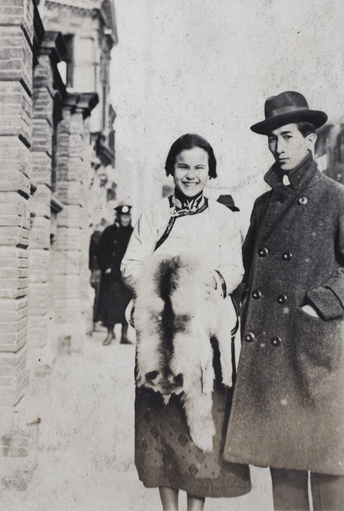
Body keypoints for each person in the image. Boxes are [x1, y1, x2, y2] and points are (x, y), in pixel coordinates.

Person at [224, 91, 344, 510]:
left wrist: (321, 304)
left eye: (288, 137)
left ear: (310, 139)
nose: (278, 148)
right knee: (286, 472)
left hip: (315, 353)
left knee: (329, 469)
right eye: (272, 139)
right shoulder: (263, 204)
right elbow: (247, 272)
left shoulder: (336, 197)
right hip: (274, 358)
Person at [121, 134, 251, 511]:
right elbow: (130, 265)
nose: (190, 175)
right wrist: (167, 278)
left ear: (210, 173)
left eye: (199, 167)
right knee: (162, 424)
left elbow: (234, 269)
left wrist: (207, 282)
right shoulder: (153, 215)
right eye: (183, 167)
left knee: (201, 424)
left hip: (203, 335)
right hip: (159, 335)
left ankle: (197, 508)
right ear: (170, 169)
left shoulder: (224, 219)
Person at [97, 204, 134, 346]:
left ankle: (124, 335)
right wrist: (106, 267)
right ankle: (110, 334)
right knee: (109, 305)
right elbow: (100, 252)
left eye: (127, 217)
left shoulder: (132, 233)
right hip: (111, 277)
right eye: (123, 217)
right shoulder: (108, 232)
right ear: (118, 217)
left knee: (126, 305)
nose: (126, 219)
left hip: (125, 276)